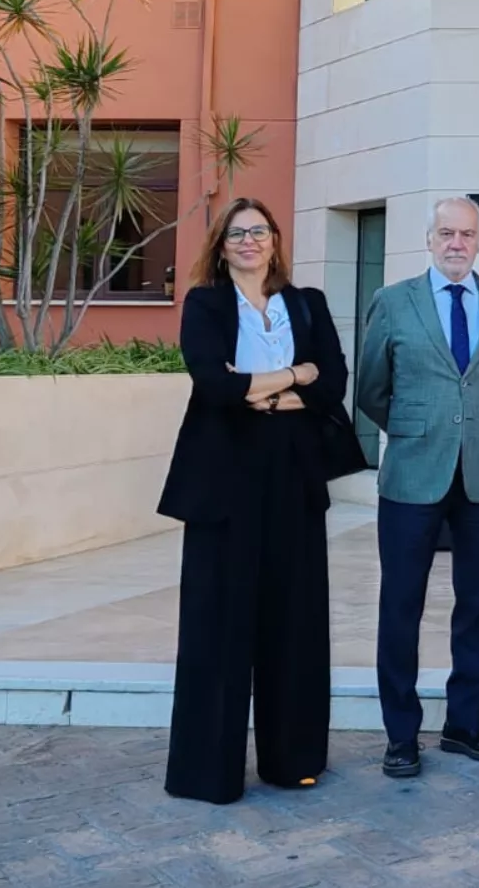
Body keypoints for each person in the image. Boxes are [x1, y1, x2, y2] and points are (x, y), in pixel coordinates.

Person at [157, 198, 352, 804]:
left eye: (259, 232)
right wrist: (296, 376)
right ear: (221, 245)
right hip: (224, 478)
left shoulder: (307, 302)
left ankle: (293, 759)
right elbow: (215, 385)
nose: (249, 242)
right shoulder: (207, 304)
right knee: (218, 623)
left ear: (275, 241)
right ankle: (206, 772)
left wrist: (260, 389)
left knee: (294, 619)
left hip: (293, 475)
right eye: (237, 233)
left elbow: (336, 384)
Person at [356, 197, 479, 779]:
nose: (457, 243)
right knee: (401, 605)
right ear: (429, 239)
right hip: (412, 473)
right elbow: (372, 388)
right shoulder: (393, 301)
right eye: (446, 233)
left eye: (467, 234)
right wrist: (417, 428)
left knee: (476, 604)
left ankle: (465, 724)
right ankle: (401, 734)